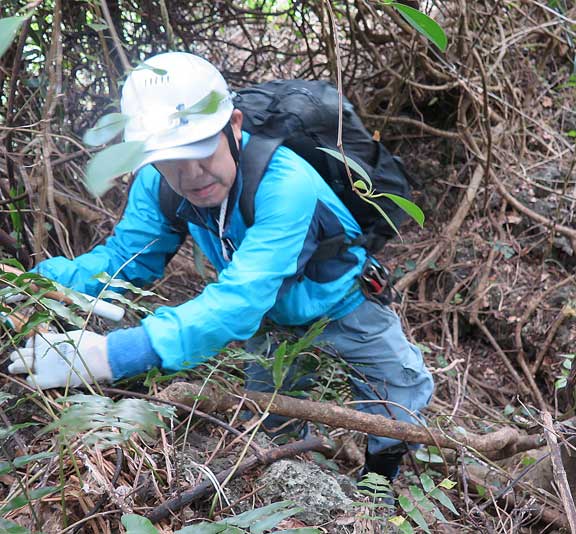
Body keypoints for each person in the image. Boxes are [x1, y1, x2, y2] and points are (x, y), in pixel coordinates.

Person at [6, 52, 434, 483]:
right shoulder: (159, 184)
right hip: (269, 319)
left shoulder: (286, 183)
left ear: (233, 125)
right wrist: (29, 281)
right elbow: (124, 261)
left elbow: (239, 300)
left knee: (396, 396)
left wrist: (111, 355)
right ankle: (295, 484)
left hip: (346, 302)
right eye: (171, 159)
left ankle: (382, 484)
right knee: (273, 416)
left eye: (201, 149)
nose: (192, 175)